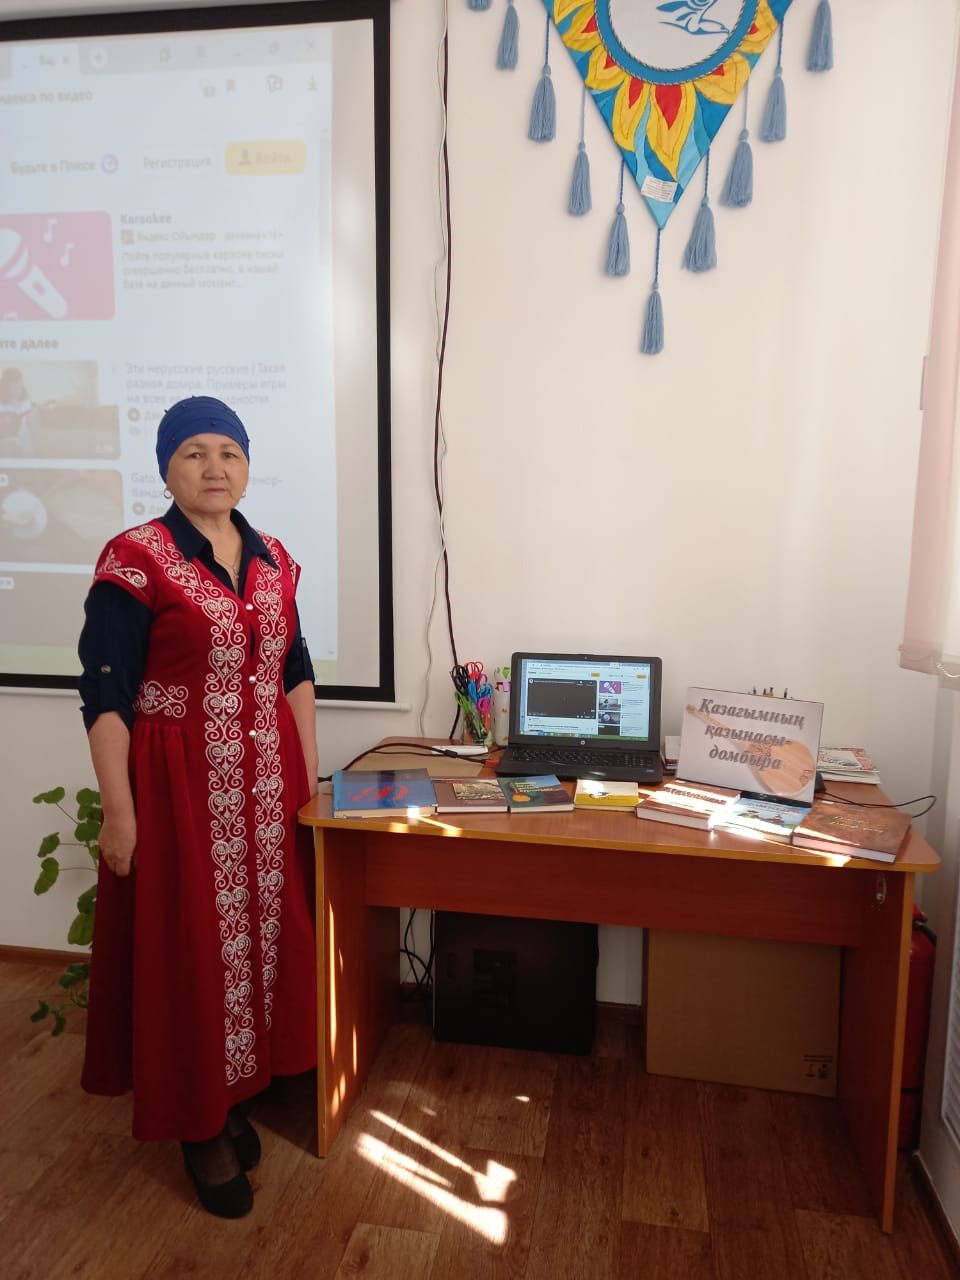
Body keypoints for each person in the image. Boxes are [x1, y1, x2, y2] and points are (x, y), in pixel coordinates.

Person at [77, 395, 319, 1219]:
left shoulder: (275, 559)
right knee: (189, 952)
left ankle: (234, 1096)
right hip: (177, 788)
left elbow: (294, 672)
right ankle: (197, 1123)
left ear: (247, 466)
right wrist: (120, 814)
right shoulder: (135, 559)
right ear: (166, 468)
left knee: (255, 950)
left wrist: (307, 779)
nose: (215, 468)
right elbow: (105, 695)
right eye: (194, 453)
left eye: (229, 452)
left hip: (265, 789)